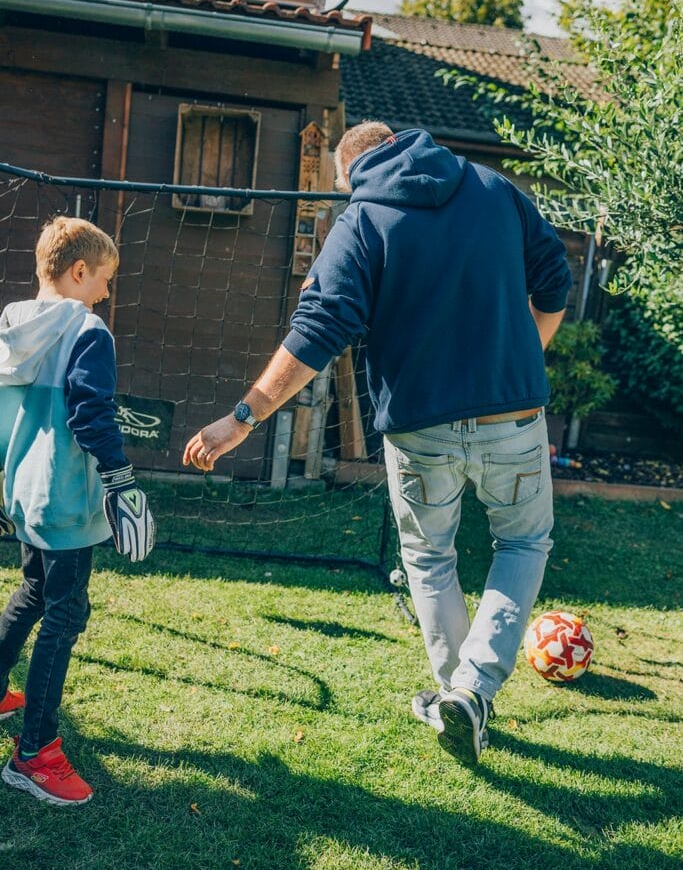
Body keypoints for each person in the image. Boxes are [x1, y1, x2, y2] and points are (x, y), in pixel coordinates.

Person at [183, 122, 572, 765]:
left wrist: (241, 419)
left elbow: (319, 328)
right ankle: (472, 692)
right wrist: (522, 363)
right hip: (516, 416)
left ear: (349, 173)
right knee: (523, 542)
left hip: (420, 426)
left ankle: (458, 691)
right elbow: (554, 281)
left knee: (429, 557)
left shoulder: (361, 218)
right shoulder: (495, 188)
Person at [0, 216, 155, 805]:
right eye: (105, 279)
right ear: (79, 270)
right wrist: (121, 482)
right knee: (64, 616)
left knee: (32, 594)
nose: (107, 293)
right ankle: (35, 753)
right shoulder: (88, 331)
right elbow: (91, 414)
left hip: (23, 494)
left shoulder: (13, 323)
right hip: (65, 501)